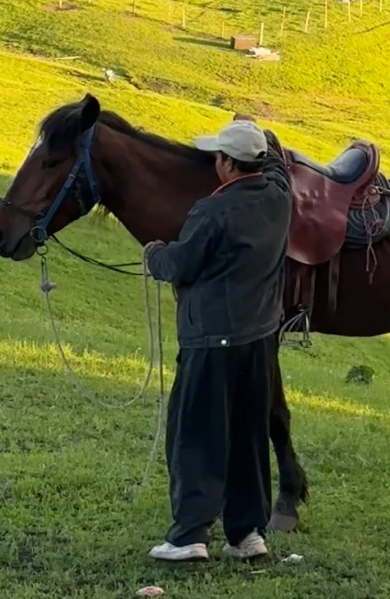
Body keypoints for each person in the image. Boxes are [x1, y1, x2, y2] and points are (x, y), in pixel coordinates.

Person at [143, 118, 292, 563]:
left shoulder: (211, 212)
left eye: (218, 157)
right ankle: (247, 534)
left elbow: (181, 265)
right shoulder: (280, 198)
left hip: (212, 342)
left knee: (196, 435)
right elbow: (279, 166)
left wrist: (155, 255)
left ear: (227, 164)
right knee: (248, 435)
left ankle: (189, 533)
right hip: (260, 340)